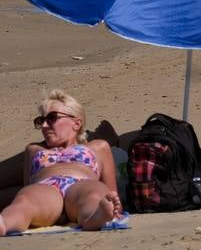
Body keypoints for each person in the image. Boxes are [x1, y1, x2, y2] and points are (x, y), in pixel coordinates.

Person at [0, 90, 121, 235]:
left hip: (81, 183)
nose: (44, 125)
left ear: (76, 123)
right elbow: (29, 183)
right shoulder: (34, 149)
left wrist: (113, 204)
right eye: (41, 121)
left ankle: (95, 215)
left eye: (52, 118)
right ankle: (5, 223)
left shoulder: (98, 146)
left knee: (95, 194)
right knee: (26, 199)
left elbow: (111, 191)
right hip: (46, 186)